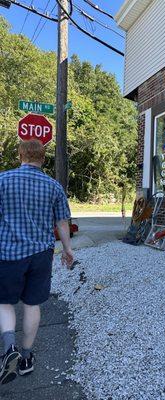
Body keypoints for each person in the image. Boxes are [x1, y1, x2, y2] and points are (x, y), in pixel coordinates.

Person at [0, 139, 74, 385]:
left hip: (8, 253)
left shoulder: (3, 180)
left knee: (5, 302)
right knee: (32, 304)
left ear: (21, 155)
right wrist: (67, 249)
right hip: (41, 255)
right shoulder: (53, 186)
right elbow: (63, 222)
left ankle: (9, 348)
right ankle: (26, 358)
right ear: (43, 159)